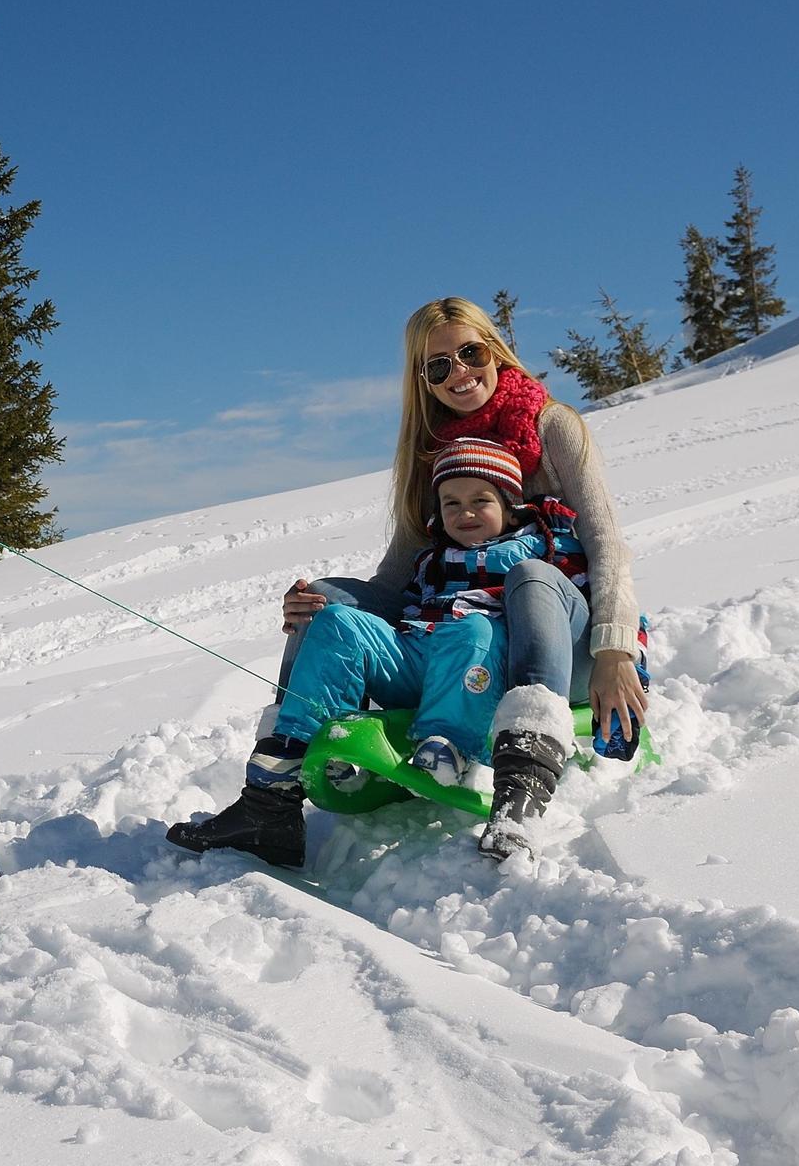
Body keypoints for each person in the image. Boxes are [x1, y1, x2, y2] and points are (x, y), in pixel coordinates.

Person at [168, 296, 645, 863]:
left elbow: (606, 541)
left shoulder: (553, 425)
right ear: (423, 379)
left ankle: (520, 796)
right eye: (438, 365)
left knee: (528, 573)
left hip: (569, 645)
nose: (459, 372)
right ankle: (271, 801)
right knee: (328, 600)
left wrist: (615, 649)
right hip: (466, 645)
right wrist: (318, 605)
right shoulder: (435, 455)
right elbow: (399, 579)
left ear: (496, 352)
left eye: (470, 353)